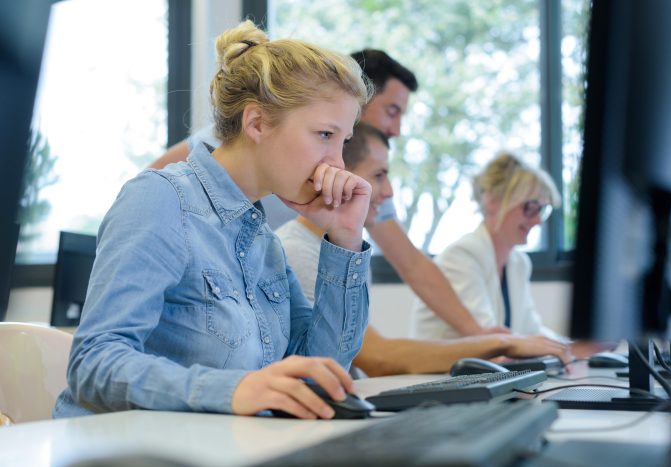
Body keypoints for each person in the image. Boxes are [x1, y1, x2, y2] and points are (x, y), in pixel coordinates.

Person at [53, 20, 373, 420]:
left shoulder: (261, 240)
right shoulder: (160, 199)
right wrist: (233, 390)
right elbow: (93, 364)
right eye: (325, 134)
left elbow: (319, 376)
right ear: (256, 123)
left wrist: (344, 237)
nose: (338, 164)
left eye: (342, 142)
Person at [152, 48, 505, 337]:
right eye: (392, 111)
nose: (396, 129)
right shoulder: (243, 136)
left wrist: (479, 334)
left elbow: (412, 263)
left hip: (265, 288)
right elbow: (159, 189)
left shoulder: (354, 180)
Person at [276, 123, 571, 376]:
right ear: (338, 172)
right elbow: (376, 357)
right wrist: (498, 343)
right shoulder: (299, 251)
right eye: (379, 175)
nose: (390, 191)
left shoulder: (344, 251)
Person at [414, 153, 567, 341]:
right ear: (492, 201)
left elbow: (532, 330)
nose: (537, 221)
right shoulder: (462, 256)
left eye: (542, 210)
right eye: (530, 207)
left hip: (488, 369)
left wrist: (573, 349)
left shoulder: (518, 263)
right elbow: (489, 337)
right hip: (444, 370)